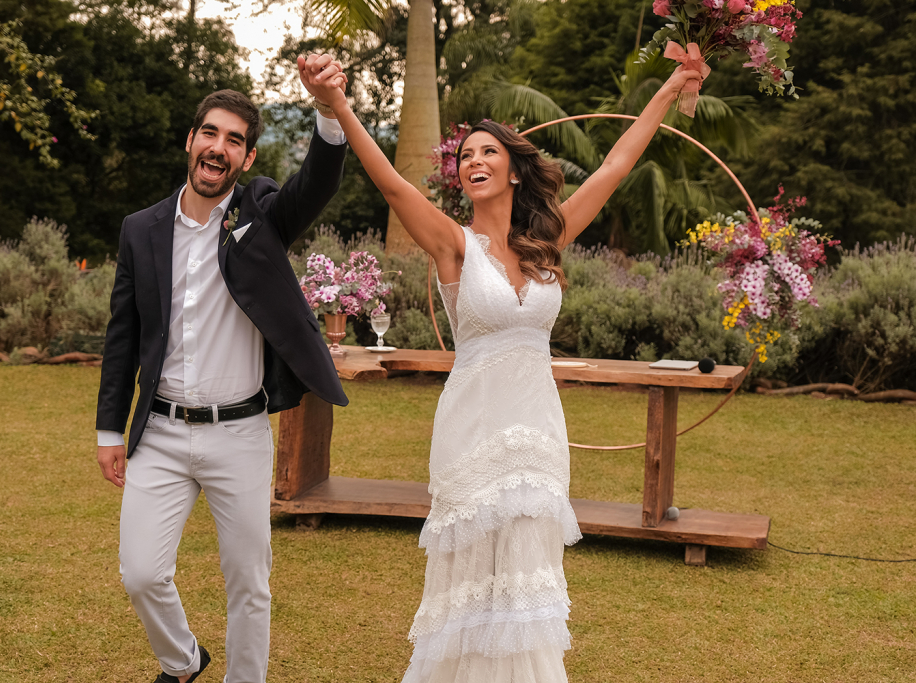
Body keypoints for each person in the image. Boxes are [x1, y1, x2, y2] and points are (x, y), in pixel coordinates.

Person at [304, 55, 702, 681]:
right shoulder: (453, 243)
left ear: (514, 169)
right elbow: (393, 187)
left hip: (536, 426)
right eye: (465, 157)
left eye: (487, 152)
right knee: (473, 568)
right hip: (474, 425)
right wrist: (341, 106)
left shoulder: (549, 241)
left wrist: (672, 88)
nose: (475, 163)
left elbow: (615, 166)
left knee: (525, 564)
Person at [95, 58, 352, 683]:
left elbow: (315, 183)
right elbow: (122, 335)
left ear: (247, 156)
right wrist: (109, 430)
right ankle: (182, 660)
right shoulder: (141, 230)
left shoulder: (259, 215)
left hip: (239, 435)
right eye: (210, 133)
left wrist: (326, 109)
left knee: (248, 584)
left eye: (234, 140)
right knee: (141, 573)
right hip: (159, 432)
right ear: (191, 141)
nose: (218, 147)